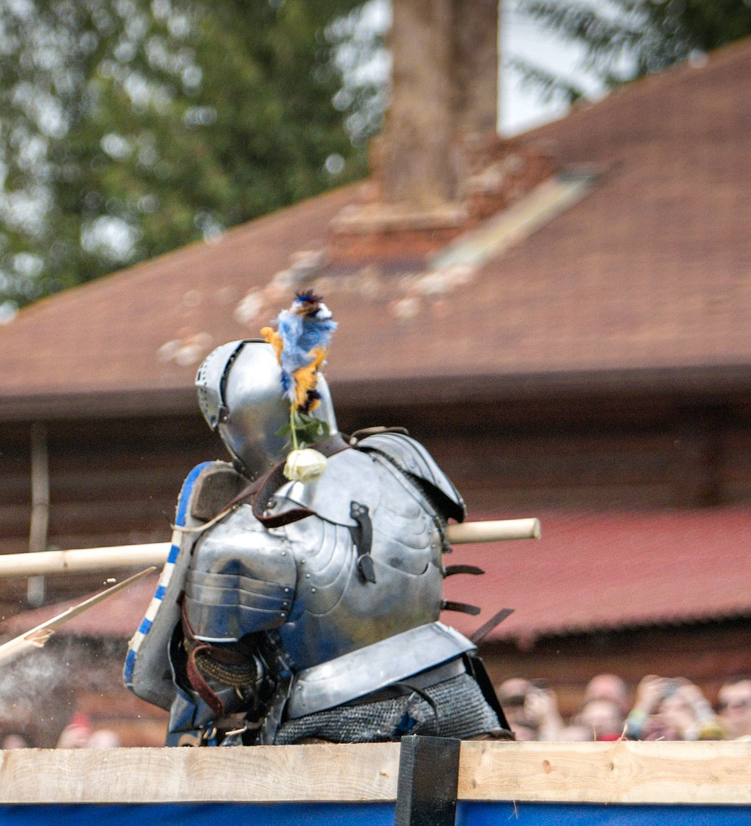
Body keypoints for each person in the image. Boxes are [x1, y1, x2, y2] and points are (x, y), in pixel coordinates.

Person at [123, 293, 507, 744]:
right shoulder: (403, 460)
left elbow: (225, 689)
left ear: (239, 422)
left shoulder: (238, 542)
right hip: (458, 692)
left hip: (338, 719)